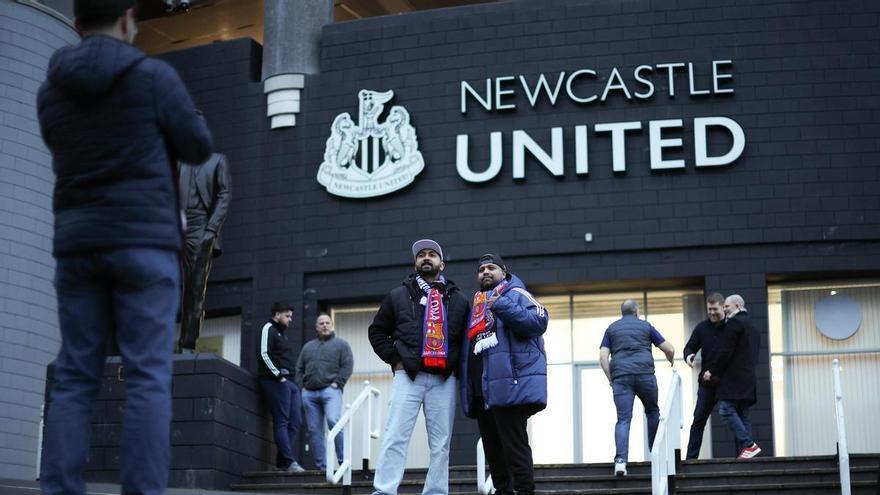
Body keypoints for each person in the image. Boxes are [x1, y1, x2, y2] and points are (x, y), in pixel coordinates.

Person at [36, 0, 213, 492]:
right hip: (144, 243)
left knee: (74, 377)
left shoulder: (51, 92)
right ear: (130, 20)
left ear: (76, 26)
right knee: (147, 376)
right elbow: (198, 146)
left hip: (78, 245)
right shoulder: (153, 77)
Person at [368, 239, 470, 495]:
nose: (426, 258)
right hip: (408, 377)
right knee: (395, 437)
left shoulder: (459, 300)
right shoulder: (398, 295)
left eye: (432, 254)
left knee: (441, 444)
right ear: (415, 263)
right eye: (421, 255)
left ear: (441, 263)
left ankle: (436, 492)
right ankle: (384, 491)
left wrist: (454, 365)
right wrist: (395, 360)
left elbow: (464, 341)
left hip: (444, 380)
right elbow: (377, 331)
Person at [460, 254, 549, 495]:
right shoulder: (478, 303)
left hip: (510, 387)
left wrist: (501, 304)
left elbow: (539, 321)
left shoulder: (516, 294)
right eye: (481, 270)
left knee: (515, 449)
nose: (485, 272)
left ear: (504, 272)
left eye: (491, 268)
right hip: (483, 390)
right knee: (494, 455)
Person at [599, 299, 675, 476]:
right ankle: (656, 456)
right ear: (636, 311)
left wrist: (612, 378)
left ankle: (620, 462)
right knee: (652, 412)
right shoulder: (646, 326)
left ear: (622, 312)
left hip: (621, 378)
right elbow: (669, 348)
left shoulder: (611, 329)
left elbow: (603, 357)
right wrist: (671, 360)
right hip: (645, 375)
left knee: (623, 419)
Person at [178, 148, 231, 353]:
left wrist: (211, 229)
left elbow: (224, 194)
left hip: (200, 225)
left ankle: (187, 345)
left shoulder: (217, 160)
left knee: (195, 289)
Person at [702, 294, 762, 459]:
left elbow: (725, 351)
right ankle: (748, 453)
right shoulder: (753, 327)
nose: (724, 309)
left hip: (734, 378)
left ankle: (749, 444)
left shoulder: (734, 323)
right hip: (749, 379)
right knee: (743, 415)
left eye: (726, 306)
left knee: (726, 410)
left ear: (736, 305)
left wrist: (711, 371)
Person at [295, 313, 354, 470]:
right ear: (316, 327)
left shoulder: (342, 345)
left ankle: (342, 463)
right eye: (321, 323)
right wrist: (302, 386)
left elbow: (347, 365)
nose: (324, 325)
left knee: (334, 422)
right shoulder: (308, 347)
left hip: (331, 391)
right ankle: (322, 467)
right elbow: (299, 368)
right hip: (309, 394)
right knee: (314, 431)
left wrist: (337, 383)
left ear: (332, 325)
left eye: (327, 322)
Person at [258, 302, 306, 473]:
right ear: (277, 314)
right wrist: (278, 376)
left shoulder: (282, 334)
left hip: (290, 382)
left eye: (291, 316)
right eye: (287, 316)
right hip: (275, 381)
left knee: (296, 422)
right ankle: (289, 461)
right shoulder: (268, 328)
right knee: (282, 421)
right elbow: (264, 353)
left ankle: (281, 462)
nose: (290, 319)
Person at [682, 292, 726, 459]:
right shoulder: (702, 328)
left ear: (723, 307)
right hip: (707, 383)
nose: (712, 313)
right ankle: (691, 459)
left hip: (726, 381)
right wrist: (689, 356)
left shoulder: (731, 326)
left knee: (733, 417)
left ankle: (743, 456)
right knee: (698, 420)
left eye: (715, 309)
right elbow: (689, 347)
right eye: (709, 310)